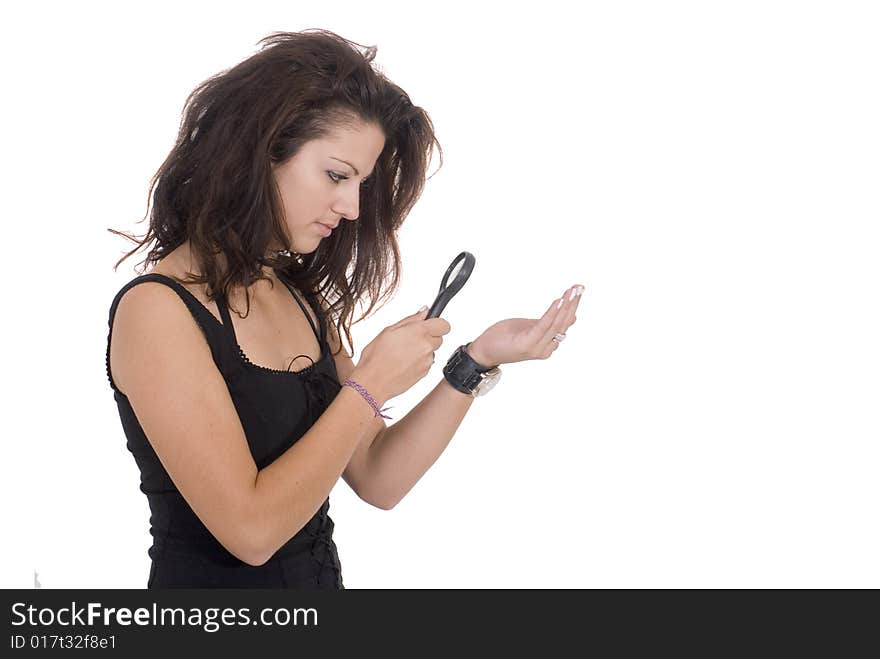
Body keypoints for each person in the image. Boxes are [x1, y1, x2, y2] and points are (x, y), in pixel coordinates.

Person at [105, 29, 584, 589]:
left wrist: (474, 361)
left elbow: (378, 477)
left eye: (361, 182)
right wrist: (370, 385)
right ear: (259, 155)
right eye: (336, 175)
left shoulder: (301, 301)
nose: (352, 206)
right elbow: (252, 532)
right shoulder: (157, 312)